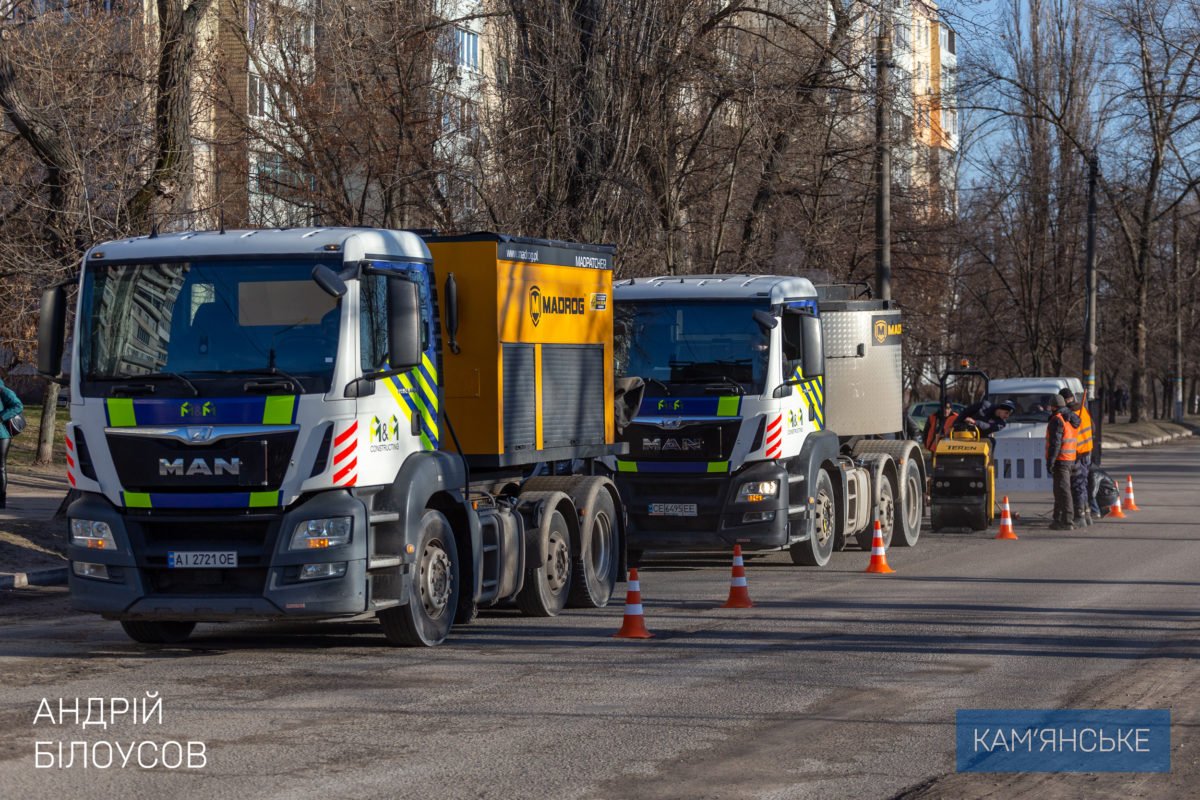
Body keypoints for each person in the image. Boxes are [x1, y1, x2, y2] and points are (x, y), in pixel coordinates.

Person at [1045, 394, 1078, 530]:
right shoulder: (1071, 417)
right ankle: (1057, 519)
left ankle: (1067, 521)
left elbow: (1055, 443)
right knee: (1060, 491)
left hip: (1061, 460)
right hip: (1070, 459)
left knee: (1063, 491)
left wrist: (1050, 462)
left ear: (1053, 406)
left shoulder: (1057, 419)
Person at [1069, 389, 1097, 525]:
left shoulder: (1071, 414)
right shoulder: (1083, 411)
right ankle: (1087, 514)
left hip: (1077, 453)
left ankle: (1080, 516)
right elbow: (1093, 428)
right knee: (1083, 483)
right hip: (1087, 451)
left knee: (1077, 484)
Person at [0, 376, 24, 510]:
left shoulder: (3, 391)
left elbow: (18, 406)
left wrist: (1, 416)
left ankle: (1, 500)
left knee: (0, 467)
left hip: (1, 435)